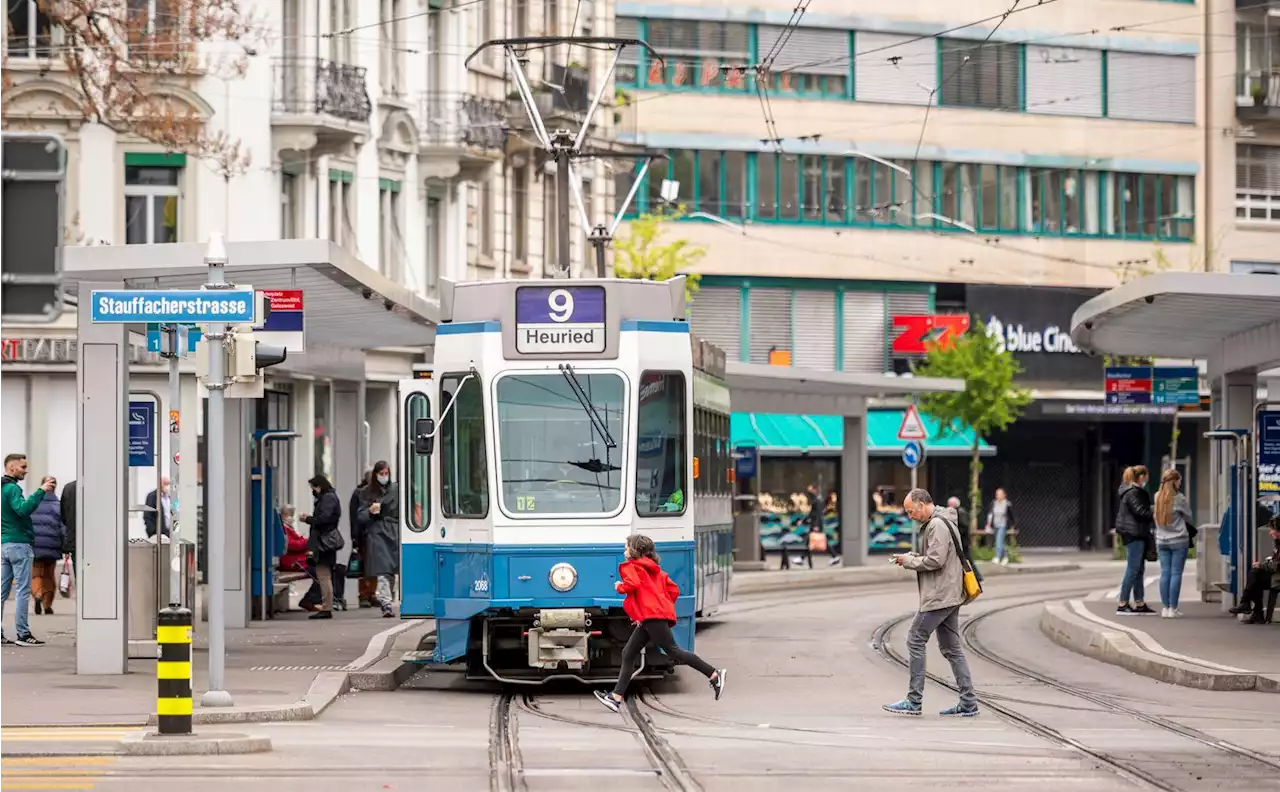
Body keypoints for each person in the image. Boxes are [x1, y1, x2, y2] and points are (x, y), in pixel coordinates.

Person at [594, 534, 726, 713]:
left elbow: (631, 585)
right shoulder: (655, 570)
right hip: (651, 617)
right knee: (628, 653)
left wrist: (619, 586)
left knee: (673, 651)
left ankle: (714, 674)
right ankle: (615, 697)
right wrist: (659, 605)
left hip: (652, 617)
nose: (624, 551)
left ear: (634, 550)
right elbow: (673, 590)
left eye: (626, 547)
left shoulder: (632, 567)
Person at [883, 488, 978, 718]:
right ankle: (968, 703)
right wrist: (912, 556)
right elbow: (940, 554)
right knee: (952, 649)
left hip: (939, 595)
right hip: (950, 593)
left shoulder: (936, 524)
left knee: (915, 639)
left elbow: (936, 560)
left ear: (923, 505)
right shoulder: (944, 520)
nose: (910, 516)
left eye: (911, 511)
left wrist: (909, 561)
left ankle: (914, 701)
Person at [0, 454, 54, 647]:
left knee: (2, 592)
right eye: (23, 467)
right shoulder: (12, 488)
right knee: (23, 590)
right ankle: (23, 634)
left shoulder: (0, 488)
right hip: (19, 544)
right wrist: (40, 491)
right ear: (12, 467)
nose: (26, 470)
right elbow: (22, 509)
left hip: (3, 545)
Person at [356, 461, 400, 618]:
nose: (384, 477)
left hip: (393, 531)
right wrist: (369, 511)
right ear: (375, 475)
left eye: (386, 473)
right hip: (377, 532)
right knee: (382, 570)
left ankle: (388, 598)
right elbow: (360, 516)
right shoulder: (366, 492)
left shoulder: (396, 490)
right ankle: (386, 603)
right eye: (381, 474)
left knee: (391, 571)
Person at [299, 475, 343, 620]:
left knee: (323, 575)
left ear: (319, 486)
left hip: (324, 543)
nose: (313, 490)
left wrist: (308, 519)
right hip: (325, 541)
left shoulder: (327, 498)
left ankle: (327, 607)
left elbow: (323, 519)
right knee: (325, 574)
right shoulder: (329, 497)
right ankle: (327, 606)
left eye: (313, 487)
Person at [1115, 466, 1156, 616]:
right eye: (1146, 476)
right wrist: (1154, 512)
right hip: (1135, 534)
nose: (1147, 479)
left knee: (1138, 569)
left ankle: (1139, 602)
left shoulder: (1131, 492)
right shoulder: (1133, 493)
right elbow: (1139, 512)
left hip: (1136, 533)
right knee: (1133, 568)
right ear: (1141, 477)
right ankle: (1123, 603)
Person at [1154, 468, 1194, 619]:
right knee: (1176, 573)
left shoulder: (1157, 496)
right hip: (1178, 540)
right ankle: (1173, 608)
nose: (1180, 484)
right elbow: (1189, 517)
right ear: (1175, 482)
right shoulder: (1179, 498)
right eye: (1179, 481)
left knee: (1165, 573)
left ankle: (1165, 608)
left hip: (1161, 540)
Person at [1231, 517, 1280, 623]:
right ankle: (1250, 607)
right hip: (1276, 575)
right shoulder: (1277, 543)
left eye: (1272, 530)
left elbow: (1276, 565)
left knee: (1255, 575)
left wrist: (1261, 565)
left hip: (1278, 578)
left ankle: (1249, 606)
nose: (1270, 533)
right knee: (1255, 576)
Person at [30, 486, 65, 615]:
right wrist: (65, 544)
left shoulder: (33, 503)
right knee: (49, 575)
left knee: (36, 575)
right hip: (52, 545)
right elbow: (63, 528)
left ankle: (38, 595)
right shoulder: (58, 506)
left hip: (35, 545)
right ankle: (47, 605)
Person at [985, 488, 1015, 565]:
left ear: (1004, 495)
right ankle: (1005, 557)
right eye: (997, 494)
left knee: (999, 540)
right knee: (1000, 542)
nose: (998, 495)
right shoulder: (993, 503)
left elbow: (1011, 515)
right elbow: (990, 514)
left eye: (1000, 494)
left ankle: (997, 557)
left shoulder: (1007, 504)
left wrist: (1013, 525)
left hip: (1003, 525)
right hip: (995, 525)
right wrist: (988, 524)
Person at [278, 505, 309, 572]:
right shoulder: (283, 528)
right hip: (290, 560)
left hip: (295, 558)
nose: (290, 517)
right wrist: (307, 541)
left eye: (291, 515)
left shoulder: (288, 527)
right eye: (288, 515)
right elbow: (291, 545)